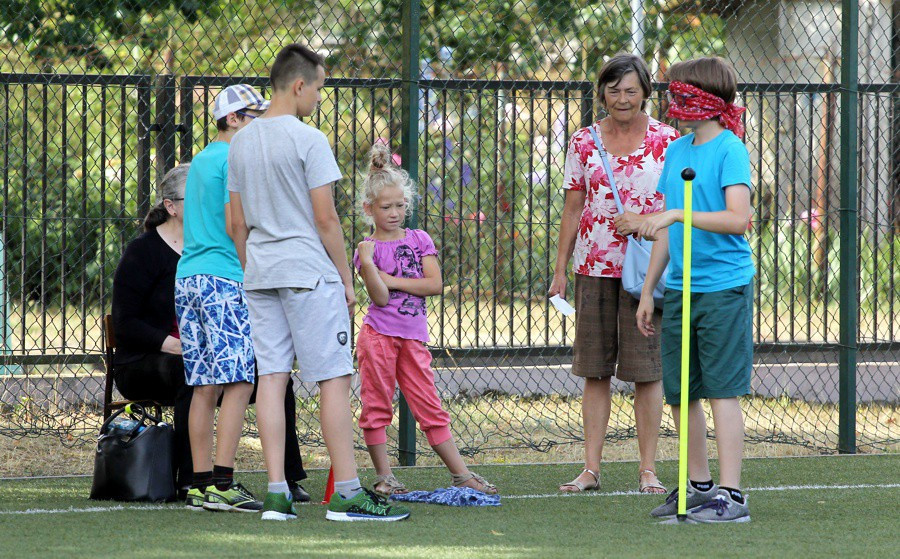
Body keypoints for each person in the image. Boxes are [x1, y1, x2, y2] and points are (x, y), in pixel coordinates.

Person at [228, 44, 410, 521]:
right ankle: (348, 493)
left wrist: (256, 267)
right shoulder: (310, 139)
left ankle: (276, 494)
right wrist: (346, 279)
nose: (318, 99)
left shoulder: (242, 140)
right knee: (333, 377)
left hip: (262, 273)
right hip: (309, 273)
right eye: (319, 89)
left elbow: (236, 222)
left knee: (270, 377)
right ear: (299, 85)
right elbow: (326, 218)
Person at [549, 53, 679, 494]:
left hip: (649, 272)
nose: (622, 99)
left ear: (645, 91)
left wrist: (643, 223)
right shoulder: (584, 141)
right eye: (613, 90)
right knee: (595, 369)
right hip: (594, 267)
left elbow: (676, 211)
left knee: (647, 371)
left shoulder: (668, 140)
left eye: (631, 90)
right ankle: (590, 469)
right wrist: (560, 269)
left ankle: (648, 470)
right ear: (601, 92)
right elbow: (572, 208)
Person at [177, 85, 310, 512]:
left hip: (190, 278)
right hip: (225, 279)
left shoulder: (200, 159)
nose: (260, 124)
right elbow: (240, 222)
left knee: (203, 385)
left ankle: (199, 485)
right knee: (240, 381)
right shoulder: (235, 158)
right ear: (233, 119)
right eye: (253, 116)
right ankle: (222, 480)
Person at [636, 56, 754, 523]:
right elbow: (667, 231)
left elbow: (737, 219)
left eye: (683, 93)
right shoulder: (677, 150)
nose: (673, 102)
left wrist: (677, 215)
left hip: (724, 287)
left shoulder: (730, 149)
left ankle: (732, 496)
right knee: (683, 393)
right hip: (682, 288)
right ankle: (700, 487)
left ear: (705, 99)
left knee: (723, 390)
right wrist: (649, 290)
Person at [353, 143, 498, 497]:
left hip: (412, 339)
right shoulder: (366, 250)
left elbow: (434, 284)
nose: (394, 213)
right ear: (368, 209)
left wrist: (393, 279)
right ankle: (385, 477)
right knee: (376, 406)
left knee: (429, 406)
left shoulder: (419, 239)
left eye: (400, 206)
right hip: (378, 337)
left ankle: (461, 474)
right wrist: (371, 267)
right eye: (386, 207)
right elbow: (380, 297)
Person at [111, 164, 193, 496]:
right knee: (191, 371)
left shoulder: (213, 247)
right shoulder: (142, 251)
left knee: (271, 374)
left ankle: (287, 480)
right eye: (197, 197)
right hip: (142, 361)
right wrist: (176, 345)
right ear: (171, 207)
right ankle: (193, 479)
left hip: (199, 354)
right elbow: (125, 323)